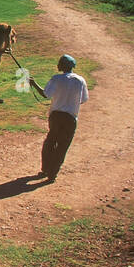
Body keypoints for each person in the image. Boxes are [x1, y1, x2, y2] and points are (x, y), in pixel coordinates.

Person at [31, 55, 88, 184]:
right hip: (70, 118)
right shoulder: (80, 80)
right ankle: (53, 174)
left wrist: (33, 84)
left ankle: (45, 168)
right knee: (62, 146)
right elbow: (83, 100)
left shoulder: (56, 79)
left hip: (55, 116)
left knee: (50, 142)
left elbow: (45, 94)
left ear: (62, 66)